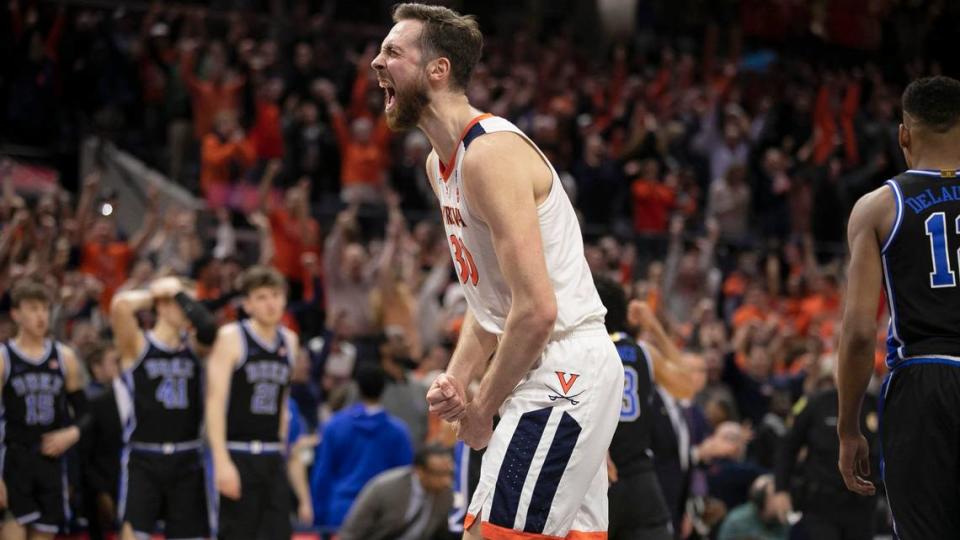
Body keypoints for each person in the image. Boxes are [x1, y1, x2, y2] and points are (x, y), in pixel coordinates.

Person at [373, 4, 624, 538]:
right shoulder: (439, 163)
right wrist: (457, 379)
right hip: (542, 365)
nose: (377, 62)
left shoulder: (490, 155)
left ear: (437, 70)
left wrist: (480, 409)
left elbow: (536, 311)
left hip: (563, 366)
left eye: (393, 52)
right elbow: (492, 306)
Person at [837, 75, 960, 538]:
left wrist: (848, 428)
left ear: (904, 136)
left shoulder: (878, 208)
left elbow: (858, 334)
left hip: (924, 381)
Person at [110, 276, 217, 539]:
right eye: (182, 303)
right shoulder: (138, 345)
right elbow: (120, 306)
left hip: (187, 457)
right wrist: (155, 293)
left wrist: (179, 295)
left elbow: (208, 328)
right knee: (133, 533)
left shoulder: (194, 347)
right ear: (163, 306)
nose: (189, 309)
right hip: (144, 456)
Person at [593, 275, 697, 540]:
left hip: (598, 477)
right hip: (642, 482)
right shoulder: (642, 351)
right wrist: (655, 327)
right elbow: (688, 384)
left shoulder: (585, 349)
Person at [206, 265, 299, 539]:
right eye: (261, 297)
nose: (271, 303)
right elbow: (215, 402)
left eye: (275, 294)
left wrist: (283, 447)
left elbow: (283, 400)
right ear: (247, 304)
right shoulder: (232, 338)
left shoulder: (290, 341)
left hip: (272, 455)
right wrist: (221, 462)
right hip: (238, 452)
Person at [0, 280, 87, 539]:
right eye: (33, 308)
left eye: (44, 309)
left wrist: (72, 433)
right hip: (13, 462)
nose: (40, 316)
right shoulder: (4, 358)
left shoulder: (64, 357)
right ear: (16, 314)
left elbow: (86, 413)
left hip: (50, 463)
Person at [310, 363, 414, 530]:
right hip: (381, 516)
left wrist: (319, 517)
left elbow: (322, 474)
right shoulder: (398, 431)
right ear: (383, 389)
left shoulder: (334, 426)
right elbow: (404, 479)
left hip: (341, 511)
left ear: (357, 387)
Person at [338, 444, 454, 540]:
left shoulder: (446, 495)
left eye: (449, 473)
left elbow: (441, 534)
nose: (447, 481)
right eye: (439, 474)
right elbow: (352, 531)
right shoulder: (384, 488)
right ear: (420, 471)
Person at [716, 475, 789, 540]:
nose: (782, 503)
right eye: (775, 497)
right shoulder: (737, 521)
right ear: (760, 499)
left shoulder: (784, 522)